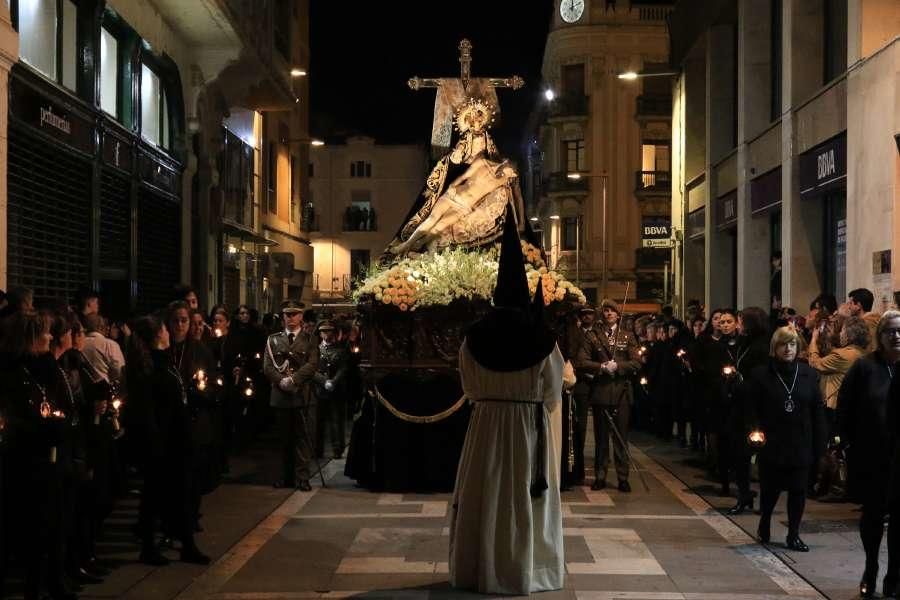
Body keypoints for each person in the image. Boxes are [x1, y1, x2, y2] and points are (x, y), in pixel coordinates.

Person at [449, 204, 564, 595]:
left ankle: (479, 568)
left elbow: (467, 387)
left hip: (485, 426)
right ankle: (528, 572)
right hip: (527, 428)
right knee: (524, 503)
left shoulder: (473, 337)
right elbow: (552, 392)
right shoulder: (544, 340)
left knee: (486, 495)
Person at [127, 315, 209, 566]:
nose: (168, 331)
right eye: (165, 328)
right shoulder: (149, 366)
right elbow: (150, 409)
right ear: (158, 335)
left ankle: (184, 543)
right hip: (164, 441)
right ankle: (153, 547)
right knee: (156, 495)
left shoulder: (166, 361)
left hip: (177, 438)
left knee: (177, 494)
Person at [745, 326, 826, 553]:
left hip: (801, 441)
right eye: (783, 344)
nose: (788, 349)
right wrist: (754, 430)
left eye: (792, 344)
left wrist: (821, 444)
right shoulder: (761, 374)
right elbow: (751, 407)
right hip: (773, 440)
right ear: (775, 348)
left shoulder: (808, 374)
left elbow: (817, 410)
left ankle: (793, 534)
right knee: (770, 488)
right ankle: (765, 519)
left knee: (798, 490)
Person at [839, 311, 900, 598]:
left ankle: (895, 576)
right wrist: (848, 445)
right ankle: (871, 567)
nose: (896, 336)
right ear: (880, 336)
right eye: (889, 330)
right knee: (873, 516)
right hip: (873, 455)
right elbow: (845, 410)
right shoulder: (865, 367)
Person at [575, 297, 640, 492]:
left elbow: (637, 362)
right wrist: (602, 366)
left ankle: (622, 477)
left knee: (621, 437)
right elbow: (582, 360)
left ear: (618, 314)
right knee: (601, 438)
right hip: (601, 392)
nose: (608, 313)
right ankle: (600, 475)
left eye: (612, 311)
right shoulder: (593, 336)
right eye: (605, 311)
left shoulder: (627, 336)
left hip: (621, 393)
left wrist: (618, 366)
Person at [263, 300, 319, 491]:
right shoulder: (273, 340)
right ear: (283, 317)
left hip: (301, 395)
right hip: (280, 396)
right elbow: (268, 366)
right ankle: (283, 477)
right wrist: (280, 381)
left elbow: (312, 364)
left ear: (301, 316)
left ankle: (302, 477)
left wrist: (294, 380)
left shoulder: (310, 339)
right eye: (287, 314)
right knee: (282, 439)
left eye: (295, 314)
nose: (291, 318)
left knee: (302, 438)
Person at [726, 307, 770, 515]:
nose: (738, 325)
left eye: (741, 321)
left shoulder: (763, 345)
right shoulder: (744, 343)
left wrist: (742, 380)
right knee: (738, 453)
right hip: (740, 405)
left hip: (757, 406)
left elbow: (760, 376)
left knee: (761, 454)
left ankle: (765, 500)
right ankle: (743, 495)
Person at [808, 315, 868, 432]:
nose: (840, 334)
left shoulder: (843, 355)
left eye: (842, 330)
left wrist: (813, 340)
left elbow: (815, 363)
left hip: (834, 407)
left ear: (848, 334)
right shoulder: (862, 353)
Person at [313, 320, 350, 459]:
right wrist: (323, 381)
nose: (326, 333)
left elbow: (343, 368)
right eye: (323, 331)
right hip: (320, 391)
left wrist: (334, 382)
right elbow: (311, 369)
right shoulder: (316, 350)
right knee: (319, 422)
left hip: (337, 390)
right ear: (320, 333)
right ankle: (318, 449)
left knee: (336, 421)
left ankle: (337, 449)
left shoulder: (341, 349)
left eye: (328, 331)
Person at [570, 306, 597, 484]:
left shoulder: (597, 334)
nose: (587, 316)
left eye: (590, 314)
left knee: (588, 427)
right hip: (579, 382)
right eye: (584, 314)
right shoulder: (575, 334)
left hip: (593, 384)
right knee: (576, 427)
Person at [81, 314, 126, 389]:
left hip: (85, 392)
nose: (107, 328)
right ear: (100, 327)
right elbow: (120, 372)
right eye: (105, 325)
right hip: (108, 392)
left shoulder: (80, 344)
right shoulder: (109, 344)